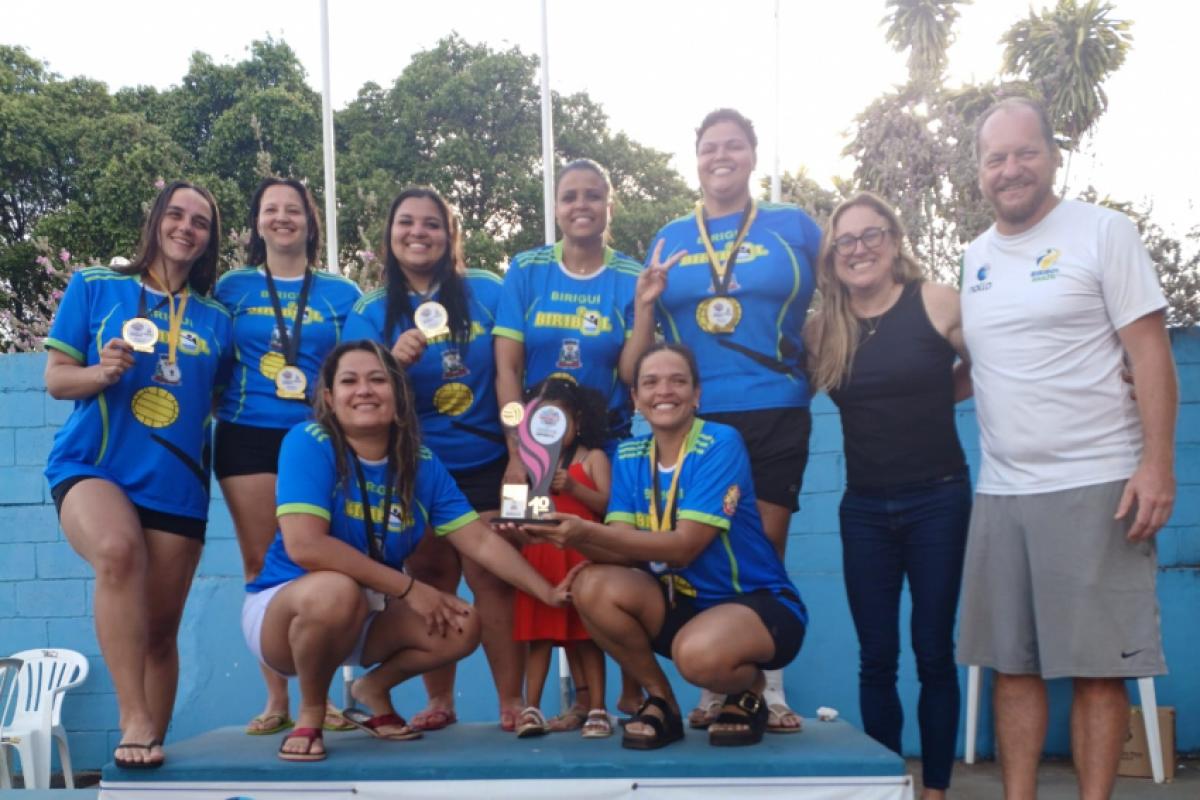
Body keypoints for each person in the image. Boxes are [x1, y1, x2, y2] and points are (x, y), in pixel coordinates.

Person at [957, 96, 1176, 800]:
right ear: (980, 171)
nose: (1011, 169)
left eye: (1026, 152)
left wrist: (1157, 465)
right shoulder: (973, 259)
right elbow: (980, 368)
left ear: (1054, 155)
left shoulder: (1104, 232)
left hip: (1098, 484)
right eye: (996, 158)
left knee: (1096, 669)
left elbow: (1151, 356)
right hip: (1001, 491)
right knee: (1011, 668)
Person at [242, 340, 571, 762]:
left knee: (463, 623)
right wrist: (410, 589)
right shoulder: (309, 441)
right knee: (335, 590)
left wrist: (548, 592)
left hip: (367, 611)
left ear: (399, 400)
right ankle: (311, 710)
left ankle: (373, 689)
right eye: (349, 381)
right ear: (329, 399)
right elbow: (305, 546)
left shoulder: (420, 462)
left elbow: (481, 540)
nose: (364, 390)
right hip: (286, 613)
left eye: (378, 379)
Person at [513, 343, 807, 750]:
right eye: (650, 382)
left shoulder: (720, 443)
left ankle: (749, 688)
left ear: (697, 394)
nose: (663, 391)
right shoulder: (631, 454)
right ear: (635, 399)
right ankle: (660, 701)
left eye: (677, 381)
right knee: (591, 586)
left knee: (697, 657)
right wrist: (556, 538)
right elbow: (622, 547)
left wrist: (583, 534)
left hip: (756, 603)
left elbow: (685, 547)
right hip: (681, 604)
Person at [630, 108, 821, 731]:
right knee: (701, 549)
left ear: (753, 155)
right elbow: (643, 349)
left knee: (763, 548)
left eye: (733, 146)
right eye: (710, 146)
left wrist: (819, 365)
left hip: (774, 408)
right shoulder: (668, 238)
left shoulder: (794, 226)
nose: (722, 156)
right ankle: (718, 685)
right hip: (698, 419)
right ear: (697, 158)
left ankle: (768, 688)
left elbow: (839, 302)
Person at [43, 181, 231, 769]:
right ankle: (135, 716)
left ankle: (151, 748)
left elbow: (226, 402)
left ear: (208, 240)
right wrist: (101, 373)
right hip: (93, 465)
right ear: (156, 221)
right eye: (176, 214)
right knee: (118, 552)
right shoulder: (96, 286)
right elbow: (56, 379)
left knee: (159, 632)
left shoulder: (217, 318)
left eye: (200, 221)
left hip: (176, 484)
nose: (186, 227)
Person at [804, 192, 970, 799]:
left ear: (894, 241)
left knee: (932, 651)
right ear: (833, 259)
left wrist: (934, 397)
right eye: (844, 241)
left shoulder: (936, 302)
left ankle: (936, 789)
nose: (858, 249)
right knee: (876, 657)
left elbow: (991, 364)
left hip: (938, 500)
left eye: (870, 235)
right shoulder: (824, 330)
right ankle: (885, 781)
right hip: (865, 509)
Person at [343, 187, 516, 731]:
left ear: (450, 235)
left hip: (490, 459)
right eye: (406, 223)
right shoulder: (370, 310)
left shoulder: (489, 290)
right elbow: (354, 391)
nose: (418, 233)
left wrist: (520, 453)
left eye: (432, 225)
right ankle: (440, 702)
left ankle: (513, 704)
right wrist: (391, 364)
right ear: (390, 235)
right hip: (414, 468)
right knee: (433, 578)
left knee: (493, 579)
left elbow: (515, 374)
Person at [494, 158, 646, 721]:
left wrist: (648, 310)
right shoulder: (527, 269)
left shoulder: (630, 276)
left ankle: (614, 699)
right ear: (556, 207)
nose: (580, 205)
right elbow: (506, 368)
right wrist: (515, 450)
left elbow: (633, 371)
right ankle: (528, 706)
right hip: (526, 455)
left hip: (603, 450)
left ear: (609, 203)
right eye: (568, 196)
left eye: (592, 195)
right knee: (528, 559)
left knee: (608, 566)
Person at [214, 177, 362, 736]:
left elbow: (352, 365)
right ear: (257, 222)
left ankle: (326, 697)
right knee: (261, 564)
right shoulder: (231, 287)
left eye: (293, 209)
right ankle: (276, 697)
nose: (282, 218)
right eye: (270, 209)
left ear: (309, 221)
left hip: (321, 441)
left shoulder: (340, 294)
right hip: (246, 435)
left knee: (326, 562)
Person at [511, 378, 612, 739]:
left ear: (578, 421)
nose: (550, 428)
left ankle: (599, 708)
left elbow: (608, 507)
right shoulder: (528, 464)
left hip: (581, 558)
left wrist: (573, 487)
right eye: (541, 420)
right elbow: (521, 511)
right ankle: (531, 709)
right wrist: (517, 524)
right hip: (540, 558)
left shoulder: (593, 458)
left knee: (587, 636)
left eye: (558, 419)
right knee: (538, 636)